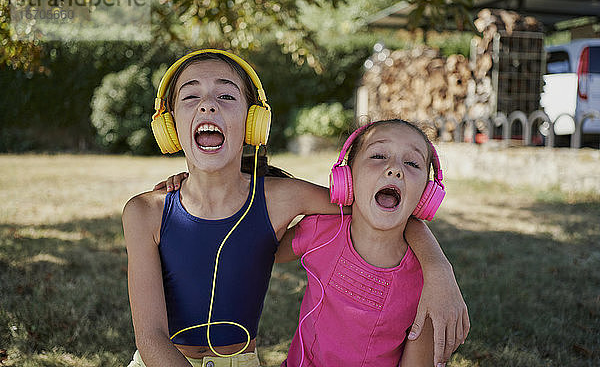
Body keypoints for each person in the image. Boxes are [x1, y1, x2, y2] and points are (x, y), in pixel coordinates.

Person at [124, 49, 468, 367]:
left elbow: (376, 209)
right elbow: (150, 337)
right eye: (191, 95)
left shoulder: (283, 198)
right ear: (169, 125)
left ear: (253, 121)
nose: (208, 106)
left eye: (226, 95)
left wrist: (439, 270)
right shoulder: (144, 213)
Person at [276, 119, 449, 366]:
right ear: (347, 177)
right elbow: (265, 253)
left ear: (426, 195)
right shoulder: (320, 230)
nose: (395, 169)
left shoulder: (428, 286)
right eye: (378, 155)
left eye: (412, 163)